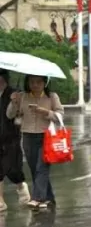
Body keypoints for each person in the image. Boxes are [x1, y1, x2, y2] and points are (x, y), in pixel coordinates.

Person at [7, 75, 63, 211]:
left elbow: (60, 115)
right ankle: (49, 198)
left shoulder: (52, 96)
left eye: (38, 82)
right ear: (27, 83)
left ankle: (37, 198)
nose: (35, 85)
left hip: (46, 136)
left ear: (45, 83)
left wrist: (46, 112)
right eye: (32, 82)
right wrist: (14, 102)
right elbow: (10, 115)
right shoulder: (22, 96)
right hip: (27, 137)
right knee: (34, 169)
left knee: (41, 168)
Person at [0, 71, 32, 210]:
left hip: (10, 137)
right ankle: (0, 201)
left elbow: (11, 115)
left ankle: (21, 185)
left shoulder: (14, 93)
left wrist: (15, 102)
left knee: (13, 169)